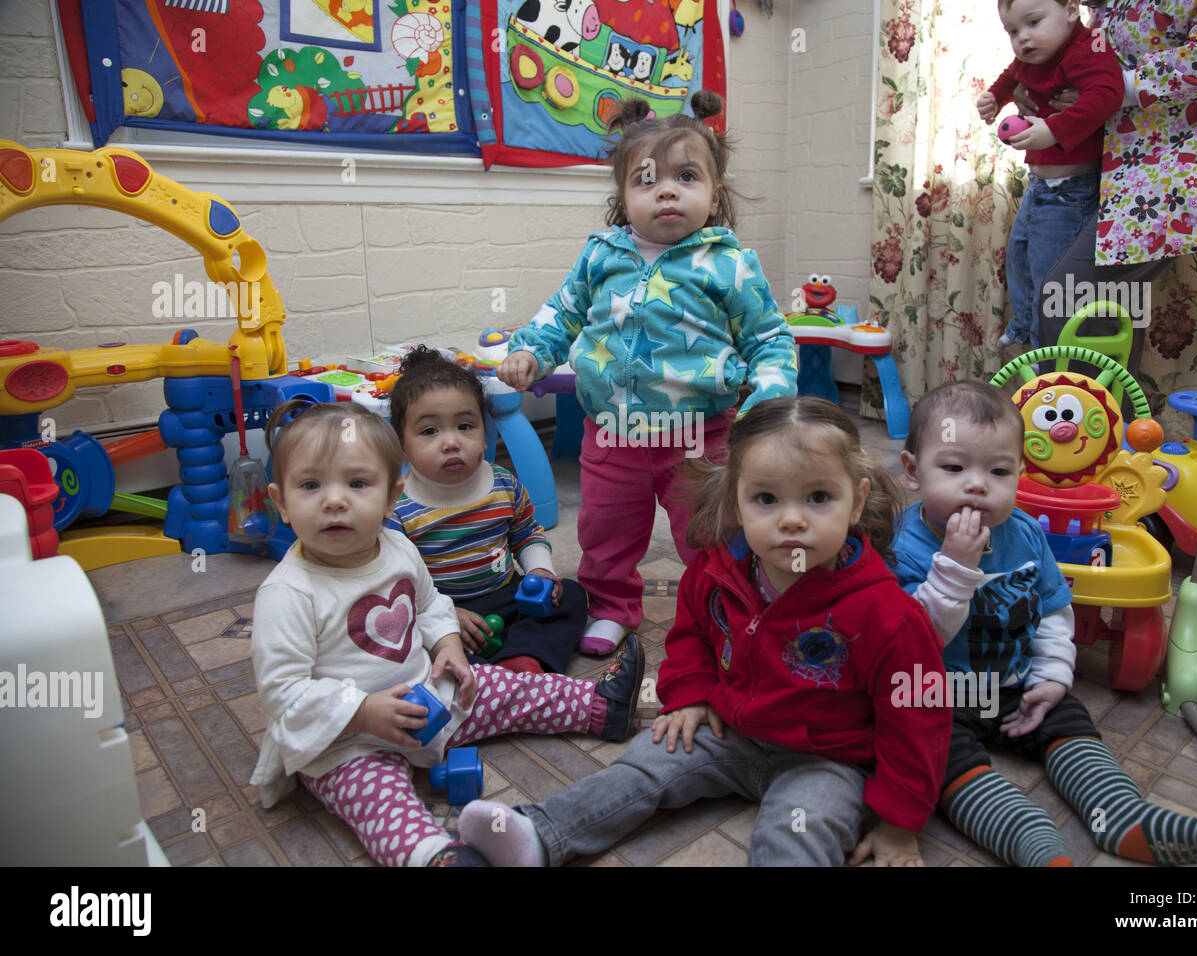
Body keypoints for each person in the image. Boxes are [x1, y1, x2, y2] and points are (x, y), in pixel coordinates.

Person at [455, 398, 952, 867]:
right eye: (766, 498)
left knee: (796, 832)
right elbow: (691, 636)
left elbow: (919, 721)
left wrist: (898, 822)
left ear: (857, 500)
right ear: (736, 502)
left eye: (819, 497)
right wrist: (690, 695)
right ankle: (539, 834)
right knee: (642, 767)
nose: (792, 519)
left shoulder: (887, 613)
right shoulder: (718, 573)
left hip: (828, 762)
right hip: (728, 730)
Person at [248, 400, 644, 867]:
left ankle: (598, 707)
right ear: (282, 503)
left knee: (504, 689)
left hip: (428, 695)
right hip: (343, 741)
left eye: (357, 484)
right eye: (311, 486)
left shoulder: (396, 546)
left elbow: (431, 603)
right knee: (378, 802)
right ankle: (434, 856)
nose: (335, 501)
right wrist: (362, 712)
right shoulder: (288, 593)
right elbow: (283, 692)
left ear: (392, 497)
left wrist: (449, 645)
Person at [860, 381, 1197, 866]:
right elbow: (911, 642)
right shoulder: (901, 547)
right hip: (937, 694)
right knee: (933, 755)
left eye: (998, 471)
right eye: (953, 468)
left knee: (1070, 721)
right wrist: (953, 565)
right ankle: (1029, 840)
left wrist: (1053, 675)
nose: (977, 484)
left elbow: (1053, 608)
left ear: (1020, 473)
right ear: (912, 471)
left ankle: (1121, 816)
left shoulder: (1027, 533)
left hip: (1014, 684)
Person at [496, 91, 799, 656]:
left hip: (700, 436)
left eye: (686, 176)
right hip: (612, 436)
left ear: (714, 195)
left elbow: (769, 339)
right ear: (622, 196)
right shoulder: (600, 255)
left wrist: (769, 397)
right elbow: (560, 313)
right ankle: (610, 606)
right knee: (605, 534)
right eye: (645, 180)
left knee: (710, 535)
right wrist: (531, 351)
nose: (666, 190)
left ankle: (722, 608)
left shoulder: (728, 264)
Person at [1032, 0, 1197, 368]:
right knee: (1110, 307)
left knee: (1069, 297)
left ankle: (1076, 422)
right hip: (1120, 168)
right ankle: (1115, 422)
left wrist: (1109, 88)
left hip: (1177, 169)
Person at [386, 346, 585, 676]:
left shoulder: (503, 484)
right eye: (430, 431)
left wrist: (539, 572)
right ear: (402, 443)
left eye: (465, 426)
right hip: (444, 612)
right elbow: (396, 578)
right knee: (402, 634)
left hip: (507, 595)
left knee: (573, 596)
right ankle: (478, 673)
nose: (451, 442)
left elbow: (527, 533)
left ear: (484, 431)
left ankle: (522, 659)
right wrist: (443, 617)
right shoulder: (399, 506)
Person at [978, 0, 1123, 348]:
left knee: (1051, 283)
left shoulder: (1087, 48)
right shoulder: (1032, 60)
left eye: (1033, 23)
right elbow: (1011, 75)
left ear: (1071, 11)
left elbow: (1108, 94)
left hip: (1073, 193)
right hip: (1041, 187)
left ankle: (1047, 350)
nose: (1022, 38)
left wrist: (1054, 130)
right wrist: (993, 98)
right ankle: (1026, 325)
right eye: (1013, 31)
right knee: (1019, 258)